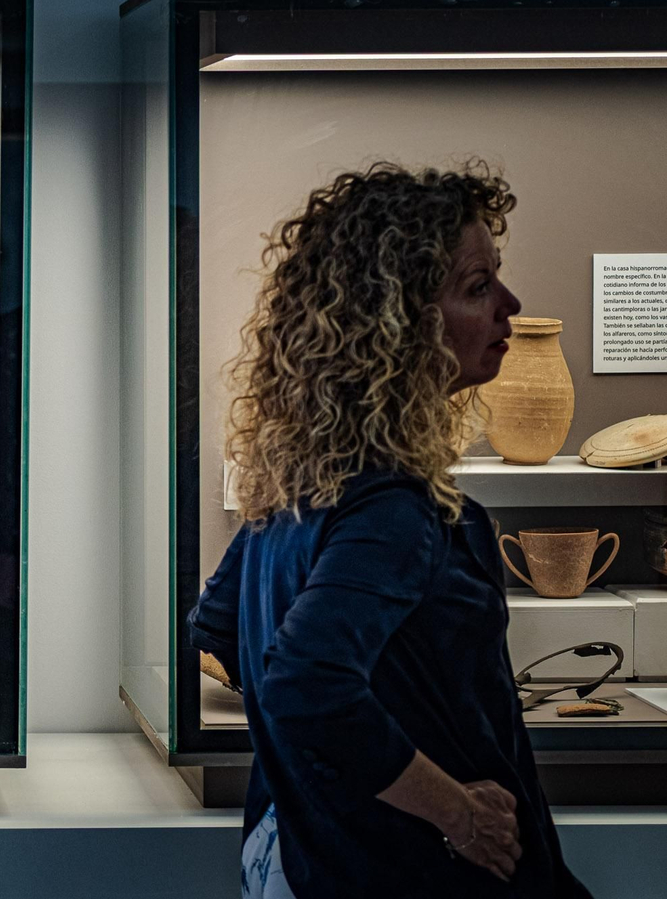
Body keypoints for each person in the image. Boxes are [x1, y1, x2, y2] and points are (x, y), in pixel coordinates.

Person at [189, 162, 590, 899]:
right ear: (399, 326)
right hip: (399, 873)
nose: (510, 305)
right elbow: (304, 685)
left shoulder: (300, 485)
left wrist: (365, 738)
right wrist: (456, 811)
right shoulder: (393, 509)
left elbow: (217, 629)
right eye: (477, 288)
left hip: (306, 858)